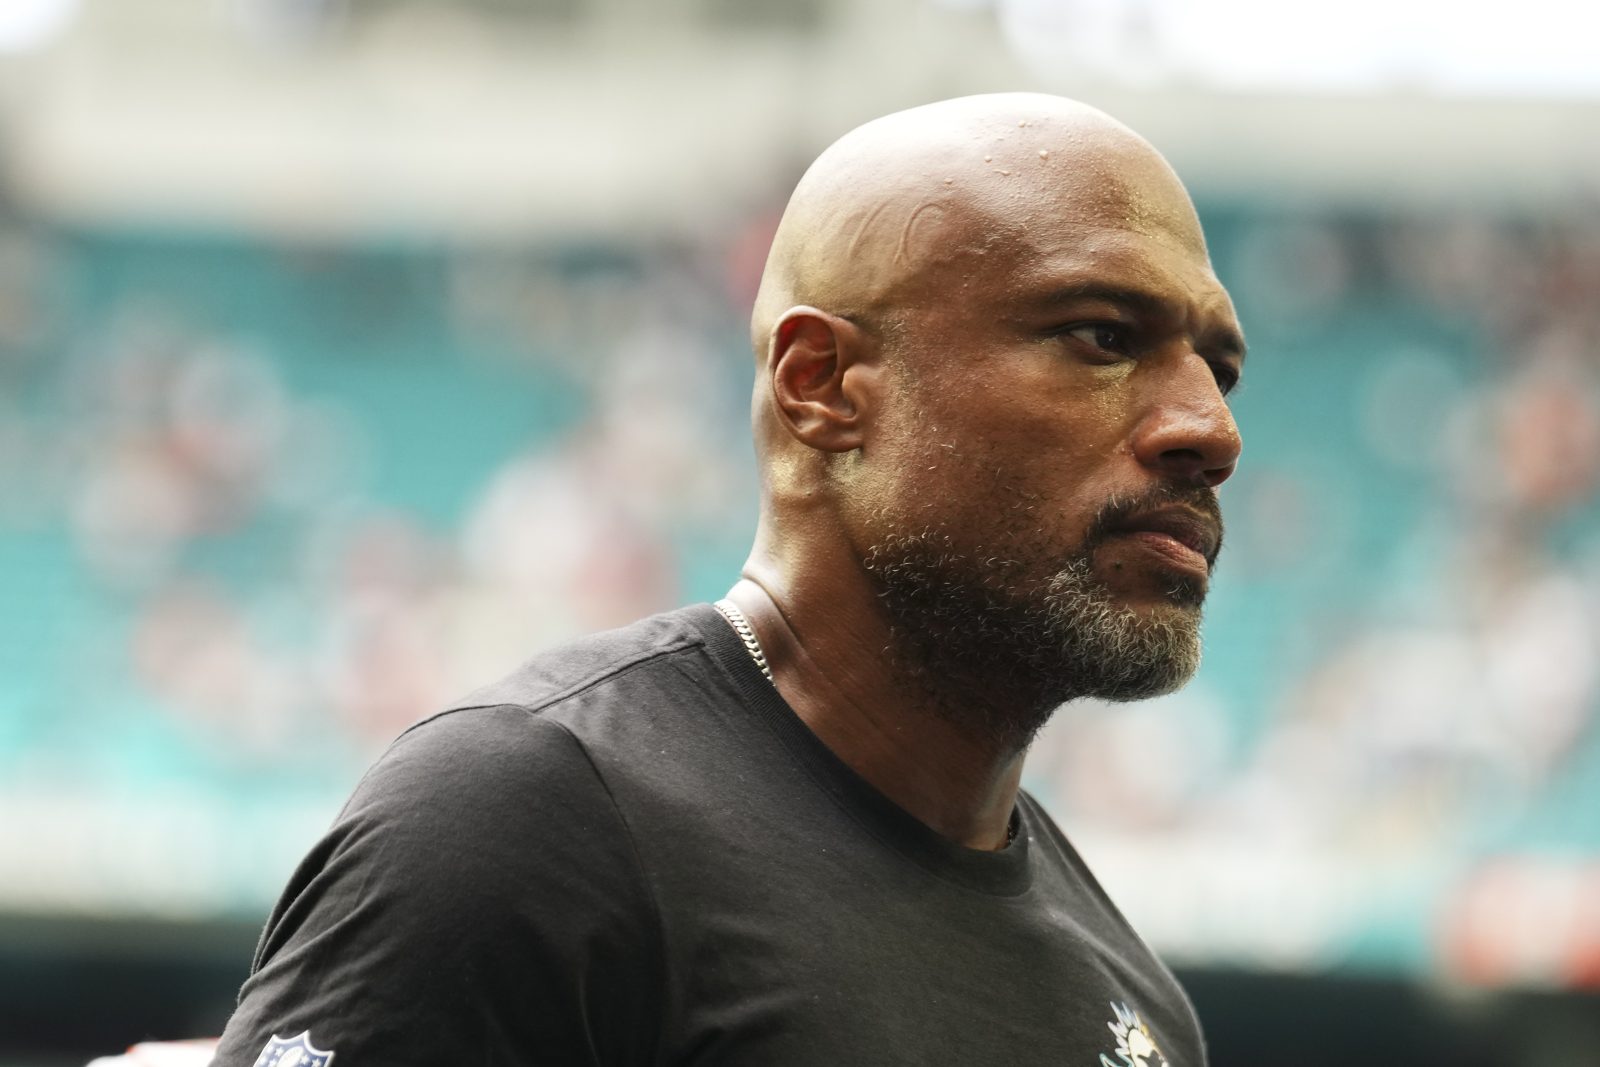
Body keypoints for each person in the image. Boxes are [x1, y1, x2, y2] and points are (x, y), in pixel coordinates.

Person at [210, 92, 1245, 1066]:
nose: (1212, 430)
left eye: (1220, 369)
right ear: (822, 385)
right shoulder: (529, 827)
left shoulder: (1135, 1002)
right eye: (1103, 336)